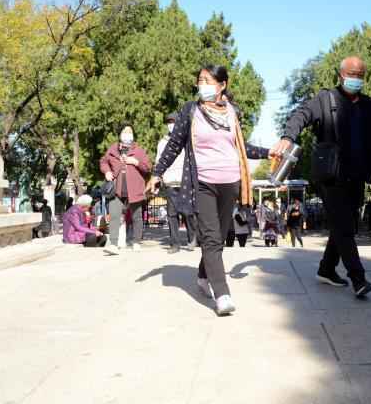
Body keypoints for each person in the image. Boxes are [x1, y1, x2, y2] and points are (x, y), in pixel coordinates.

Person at [145, 65, 270, 316]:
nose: (202, 85)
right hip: (201, 182)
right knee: (211, 238)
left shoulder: (233, 113)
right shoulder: (190, 111)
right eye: (200, 80)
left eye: (208, 80)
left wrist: (269, 152)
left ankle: (204, 276)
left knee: (219, 237)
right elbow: (174, 145)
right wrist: (157, 172)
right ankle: (222, 294)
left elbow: (241, 147)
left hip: (231, 182)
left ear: (222, 84)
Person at [272, 56, 371, 298]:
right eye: (352, 74)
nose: (356, 78)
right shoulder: (325, 99)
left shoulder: (369, 106)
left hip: (358, 175)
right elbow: (302, 115)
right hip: (331, 175)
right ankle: (358, 278)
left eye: (361, 75)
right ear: (341, 75)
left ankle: (326, 268)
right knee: (345, 227)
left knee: (345, 225)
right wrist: (288, 137)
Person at [100, 124, 152, 253]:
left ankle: (136, 242)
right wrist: (106, 172)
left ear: (133, 135)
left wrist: (136, 162)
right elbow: (103, 161)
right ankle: (113, 243)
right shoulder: (113, 149)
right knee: (114, 215)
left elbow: (148, 168)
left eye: (129, 132)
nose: (127, 134)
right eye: (124, 131)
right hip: (116, 189)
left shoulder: (139, 150)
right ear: (120, 134)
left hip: (134, 189)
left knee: (136, 217)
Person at [156, 112, 200, 253]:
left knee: (188, 212)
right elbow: (159, 160)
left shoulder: (187, 140)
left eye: (174, 122)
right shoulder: (162, 142)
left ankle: (192, 238)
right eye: (169, 122)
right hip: (170, 182)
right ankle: (175, 244)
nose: (171, 124)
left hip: (185, 181)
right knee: (172, 214)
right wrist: (158, 176)